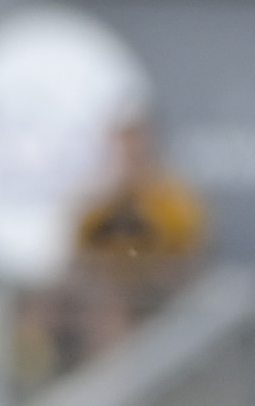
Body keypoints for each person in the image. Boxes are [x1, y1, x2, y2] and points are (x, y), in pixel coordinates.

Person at [56, 111, 206, 364]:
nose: (128, 152)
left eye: (134, 143)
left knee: (113, 307)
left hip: (155, 290)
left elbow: (186, 256)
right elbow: (80, 250)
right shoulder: (99, 197)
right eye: (121, 144)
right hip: (105, 285)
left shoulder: (171, 196)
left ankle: (116, 378)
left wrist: (138, 269)